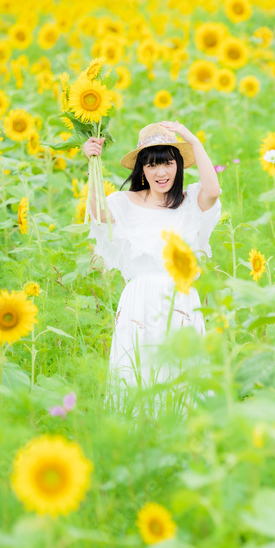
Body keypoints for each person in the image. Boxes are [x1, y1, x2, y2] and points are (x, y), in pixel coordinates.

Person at [82, 121, 221, 411]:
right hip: (139, 302)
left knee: (183, 378)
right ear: (142, 171)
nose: (161, 172)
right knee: (137, 375)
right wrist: (91, 163)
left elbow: (214, 189)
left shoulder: (188, 201)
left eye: (168, 163)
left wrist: (193, 141)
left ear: (178, 165)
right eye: (152, 165)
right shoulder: (126, 202)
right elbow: (97, 212)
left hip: (180, 299)